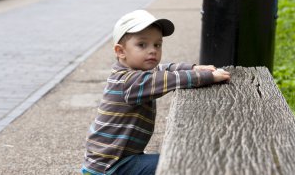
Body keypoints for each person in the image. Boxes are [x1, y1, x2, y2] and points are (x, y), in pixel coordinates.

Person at [81, 10, 231, 175]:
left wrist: (192, 67)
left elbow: (163, 69)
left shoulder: (136, 72)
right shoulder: (129, 81)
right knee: (178, 163)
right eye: (142, 45)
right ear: (120, 51)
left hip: (117, 159)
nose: (152, 50)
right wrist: (207, 76)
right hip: (111, 166)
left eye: (157, 44)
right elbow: (166, 79)